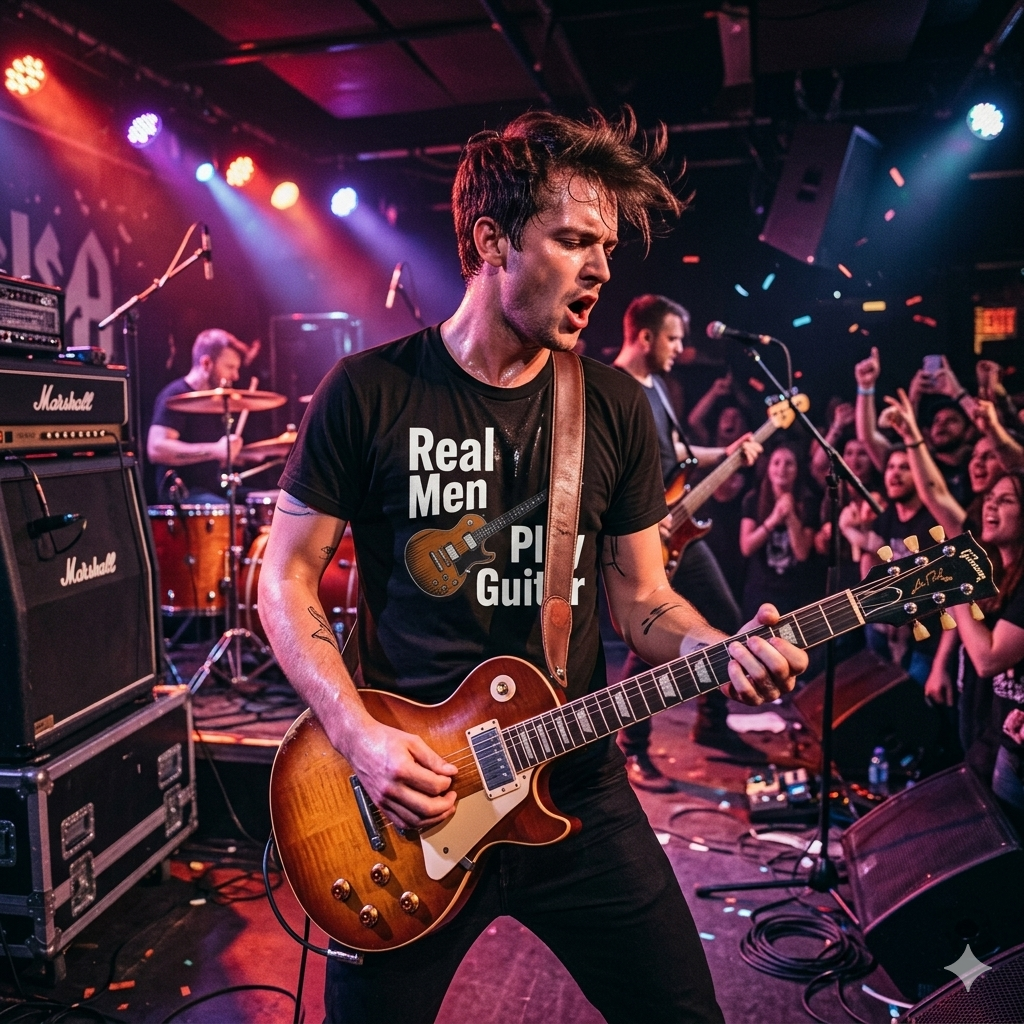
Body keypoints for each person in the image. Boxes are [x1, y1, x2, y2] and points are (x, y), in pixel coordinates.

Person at [258, 108, 807, 1024]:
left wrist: (723, 646)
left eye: (605, 246)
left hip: (577, 793)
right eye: (573, 240)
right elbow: (282, 578)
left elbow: (643, 602)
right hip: (405, 800)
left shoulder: (614, 405)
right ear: (490, 241)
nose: (599, 268)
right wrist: (356, 735)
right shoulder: (369, 391)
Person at [611, 294, 763, 787]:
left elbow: (675, 451)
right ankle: (631, 747)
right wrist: (638, 517)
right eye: (673, 338)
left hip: (678, 532)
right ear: (646, 336)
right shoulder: (612, 390)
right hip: (641, 537)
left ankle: (712, 724)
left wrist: (726, 451)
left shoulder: (657, 386)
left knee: (723, 620)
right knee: (647, 636)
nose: (680, 348)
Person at [945, 474, 1024, 828]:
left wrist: (953, 589)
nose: (990, 505)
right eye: (990, 497)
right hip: (996, 725)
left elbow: (988, 658)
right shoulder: (1001, 575)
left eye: (1006, 500)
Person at [147, 329, 246, 502]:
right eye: (230, 367)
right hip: (182, 492)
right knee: (228, 513)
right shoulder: (176, 395)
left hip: (213, 488)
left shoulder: (217, 400)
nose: (235, 376)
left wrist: (249, 453)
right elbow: (156, 449)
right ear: (207, 363)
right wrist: (215, 451)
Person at [739, 443, 820, 621]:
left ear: (797, 469)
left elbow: (801, 553)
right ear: (768, 468)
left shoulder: (809, 503)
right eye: (776, 463)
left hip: (794, 593)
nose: (782, 469)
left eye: (788, 463)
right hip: (760, 591)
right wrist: (774, 519)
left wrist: (790, 516)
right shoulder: (753, 499)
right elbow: (746, 547)